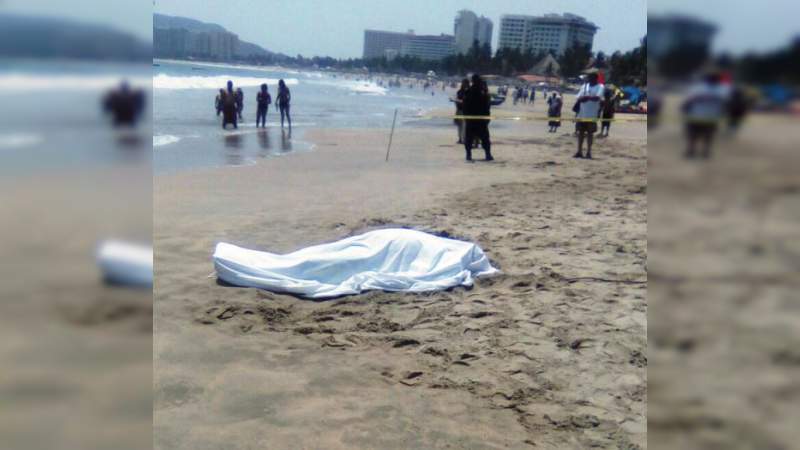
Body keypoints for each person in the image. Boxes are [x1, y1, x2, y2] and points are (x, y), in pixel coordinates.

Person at [682, 71, 730, 158]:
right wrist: (723, 113)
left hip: (695, 116)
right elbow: (725, 105)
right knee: (708, 136)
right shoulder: (723, 91)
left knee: (693, 135)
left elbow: (688, 102)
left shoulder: (697, 89)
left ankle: (691, 151)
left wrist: (684, 110)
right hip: (711, 117)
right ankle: (705, 152)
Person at [462, 74, 493, 162]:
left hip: (471, 120)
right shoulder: (482, 93)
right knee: (485, 138)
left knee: (469, 139)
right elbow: (486, 106)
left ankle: (469, 155)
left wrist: (466, 117)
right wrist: (487, 117)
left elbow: (464, 106)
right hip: (480, 120)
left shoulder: (469, 92)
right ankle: (488, 154)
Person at [574, 71, 604, 159]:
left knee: (590, 134)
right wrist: (582, 98)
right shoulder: (584, 86)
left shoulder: (600, 86)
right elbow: (578, 97)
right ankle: (579, 151)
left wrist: (587, 97)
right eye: (588, 77)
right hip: (582, 113)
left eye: (590, 77)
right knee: (580, 133)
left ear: (595, 78)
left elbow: (598, 97)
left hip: (592, 114)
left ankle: (588, 152)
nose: (588, 79)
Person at [453, 78, 469, 144]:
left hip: (465, 111)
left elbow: (467, 101)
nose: (464, 85)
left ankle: (464, 139)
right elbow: (457, 99)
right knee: (459, 125)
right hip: (459, 110)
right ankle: (460, 138)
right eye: (463, 83)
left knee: (464, 126)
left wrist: (458, 101)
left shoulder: (469, 92)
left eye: (465, 83)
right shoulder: (459, 91)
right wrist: (456, 101)